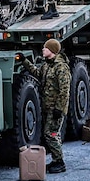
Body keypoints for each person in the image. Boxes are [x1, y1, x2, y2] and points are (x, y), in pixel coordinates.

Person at [21, 38, 70, 173]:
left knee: (51, 134)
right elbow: (38, 74)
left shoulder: (61, 67)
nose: (43, 50)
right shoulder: (47, 65)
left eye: (45, 48)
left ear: (52, 51)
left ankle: (60, 162)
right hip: (48, 107)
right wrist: (25, 61)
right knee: (53, 134)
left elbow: (64, 90)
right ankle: (56, 160)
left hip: (55, 109)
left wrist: (59, 109)